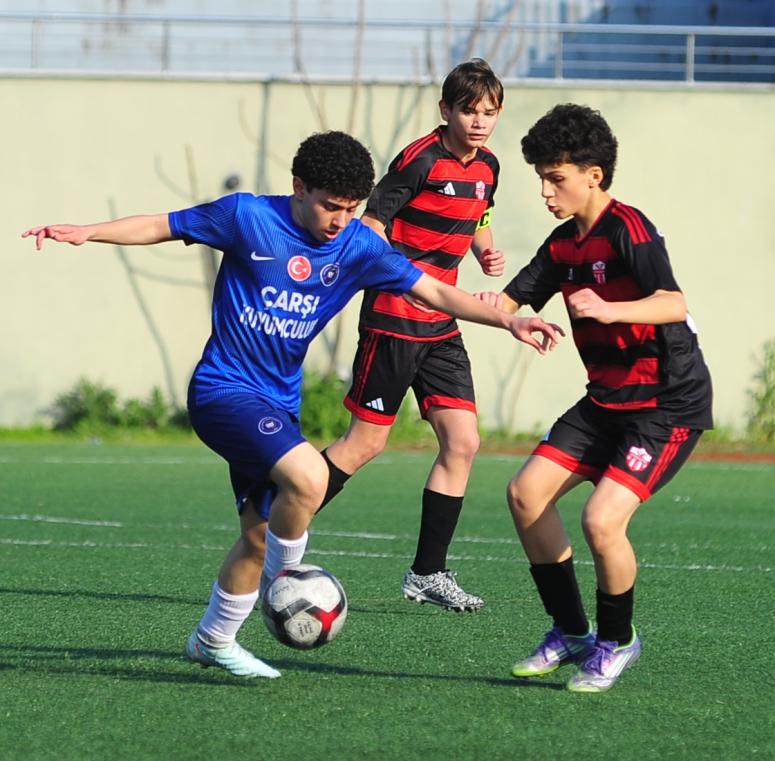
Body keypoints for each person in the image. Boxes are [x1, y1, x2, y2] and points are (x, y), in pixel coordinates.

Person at [23, 130, 561, 679]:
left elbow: (437, 292)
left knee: (258, 534)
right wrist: (88, 232)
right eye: (330, 206)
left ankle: (213, 639)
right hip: (223, 391)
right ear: (299, 188)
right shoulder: (247, 217)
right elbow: (162, 225)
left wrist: (508, 319)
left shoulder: (359, 245)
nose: (340, 220)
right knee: (309, 476)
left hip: (278, 403)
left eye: (351, 208)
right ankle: (289, 583)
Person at [478, 104, 713, 692]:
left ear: (593, 176)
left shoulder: (629, 228)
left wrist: (610, 309)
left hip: (665, 404)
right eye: (541, 178)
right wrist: (500, 315)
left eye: (555, 178)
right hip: (606, 400)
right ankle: (571, 632)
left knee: (601, 520)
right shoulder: (562, 246)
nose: (545, 191)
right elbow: (509, 301)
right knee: (525, 494)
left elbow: (673, 303)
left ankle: (617, 641)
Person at [322, 59, 507, 612]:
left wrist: (484, 250)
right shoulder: (419, 159)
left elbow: (479, 216)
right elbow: (372, 225)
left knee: (463, 442)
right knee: (365, 444)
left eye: (490, 112)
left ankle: (427, 573)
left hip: (442, 323)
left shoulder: (490, 166)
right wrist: (391, 274)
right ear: (446, 110)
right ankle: (270, 521)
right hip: (395, 317)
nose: (479, 122)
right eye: (469, 111)